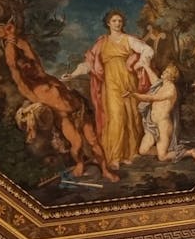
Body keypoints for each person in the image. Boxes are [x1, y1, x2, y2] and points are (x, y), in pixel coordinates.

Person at [0, 22, 117, 181]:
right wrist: (9, 43)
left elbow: (30, 52)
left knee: (93, 141)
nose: (30, 67)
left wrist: (13, 36)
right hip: (63, 117)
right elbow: (12, 66)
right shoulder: (27, 88)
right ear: (22, 73)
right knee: (77, 144)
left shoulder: (43, 75)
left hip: (80, 109)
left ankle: (105, 170)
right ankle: (79, 163)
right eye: (25, 67)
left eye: (30, 64)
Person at [65, 10, 154, 169]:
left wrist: (141, 63)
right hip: (111, 83)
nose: (117, 23)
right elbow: (89, 64)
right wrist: (72, 74)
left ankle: (129, 153)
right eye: (114, 21)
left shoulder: (128, 39)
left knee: (131, 116)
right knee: (116, 116)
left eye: (120, 21)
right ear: (108, 23)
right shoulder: (102, 43)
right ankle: (114, 156)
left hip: (128, 81)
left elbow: (148, 51)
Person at [128, 64, 195, 163]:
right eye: (165, 71)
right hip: (152, 125)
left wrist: (133, 95)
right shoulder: (161, 85)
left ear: (171, 77)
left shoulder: (171, 90)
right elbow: (153, 77)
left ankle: (189, 152)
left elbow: (151, 98)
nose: (163, 72)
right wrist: (145, 65)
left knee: (162, 157)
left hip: (163, 125)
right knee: (143, 151)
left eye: (166, 72)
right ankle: (163, 151)